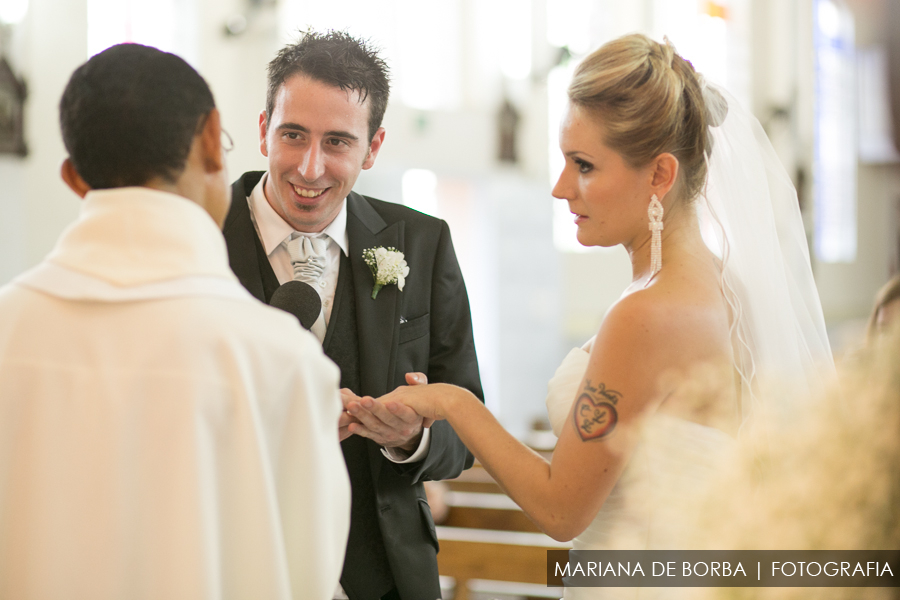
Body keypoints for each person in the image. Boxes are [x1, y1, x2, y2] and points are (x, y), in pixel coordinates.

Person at [381, 34, 833, 598]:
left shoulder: (647, 313)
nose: (560, 188)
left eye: (585, 165)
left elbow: (560, 509)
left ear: (660, 176)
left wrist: (451, 401)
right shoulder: (724, 286)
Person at [0, 44, 349, 599]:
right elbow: (308, 576)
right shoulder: (280, 359)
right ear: (213, 139)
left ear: (71, 177)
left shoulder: (7, 329)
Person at [223, 30, 483, 600]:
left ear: (373, 146)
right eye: (293, 135)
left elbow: (466, 428)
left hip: (383, 575)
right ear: (264, 127)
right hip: (234, 565)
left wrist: (412, 438)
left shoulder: (422, 242)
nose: (310, 168)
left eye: (337, 142)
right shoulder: (202, 238)